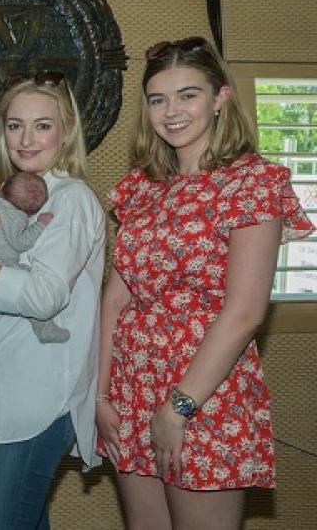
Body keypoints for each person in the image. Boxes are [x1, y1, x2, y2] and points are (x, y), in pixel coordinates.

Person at [96, 37, 312, 529]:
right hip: (133, 387)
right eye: (158, 99)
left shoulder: (252, 183)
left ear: (220, 98)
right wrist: (101, 393)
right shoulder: (143, 188)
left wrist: (177, 409)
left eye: (187, 95)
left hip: (203, 393)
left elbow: (245, 311)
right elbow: (115, 297)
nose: (172, 112)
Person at [0, 70, 106, 529]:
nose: (26, 138)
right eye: (15, 125)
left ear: (66, 132)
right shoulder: (2, 197)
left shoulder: (73, 199)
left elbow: (42, 297)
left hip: (39, 400)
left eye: (42, 125)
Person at [0, 170, 67, 361]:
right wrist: (39, 225)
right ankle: (42, 326)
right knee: (28, 282)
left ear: (1, 187)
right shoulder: (15, 215)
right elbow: (20, 242)